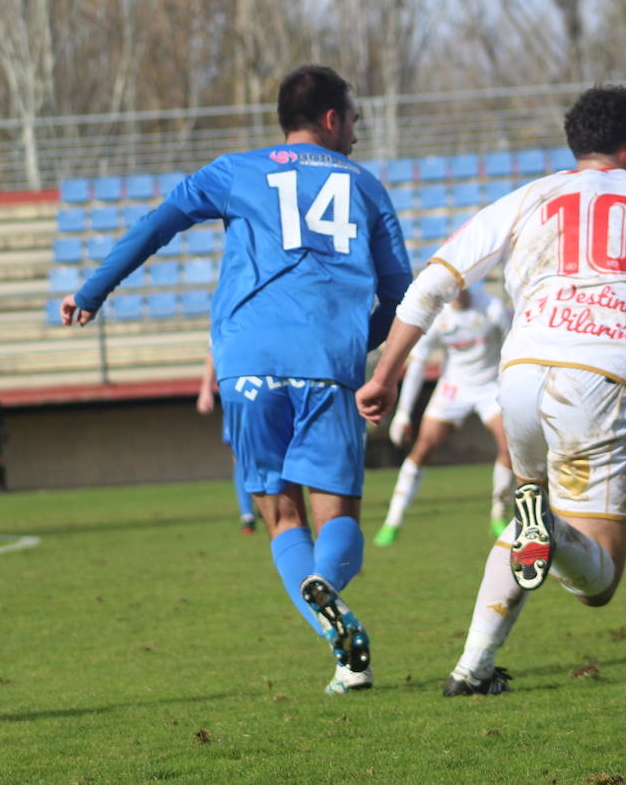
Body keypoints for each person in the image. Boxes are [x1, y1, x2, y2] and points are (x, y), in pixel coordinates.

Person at [356, 85, 626, 696]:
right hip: (601, 379)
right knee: (598, 581)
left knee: (527, 516)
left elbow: (433, 282)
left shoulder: (532, 195)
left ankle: (473, 669)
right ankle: (549, 530)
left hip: (522, 373)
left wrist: (386, 373)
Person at [61, 65, 411, 695]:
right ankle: (327, 589)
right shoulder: (364, 185)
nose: (357, 132)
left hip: (247, 360)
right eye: (354, 119)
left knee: (280, 516)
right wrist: (361, 343)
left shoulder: (232, 170)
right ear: (332, 119)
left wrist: (93, 290)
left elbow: (155, 226)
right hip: (327, 361)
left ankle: (343, 652)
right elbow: (400, 293)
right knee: (340, 518)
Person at [375, 285, 515, 546]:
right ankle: (393, 520)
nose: (458, 292)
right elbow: (417, 364)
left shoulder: (492, 309)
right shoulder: (437, 316)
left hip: (491, 386)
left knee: (510, 446)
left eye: (463, 287)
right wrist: (403, 414)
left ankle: (499, 514)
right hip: (454, 388)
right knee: (423, 448)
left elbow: (513, 349)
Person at [197, 348, 257, 535]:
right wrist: (206, 388)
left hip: (265, 387)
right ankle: (247, 515)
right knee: (239, 455)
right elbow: (213, 349)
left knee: (270, 451)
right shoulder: (224, 320)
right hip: (236, 390)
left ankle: (270, 500)